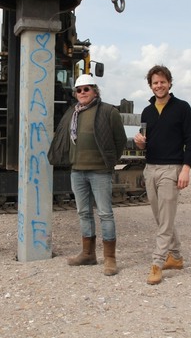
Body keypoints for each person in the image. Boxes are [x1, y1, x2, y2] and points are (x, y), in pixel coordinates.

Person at [48, 74, 127, 276]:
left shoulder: (108, 112)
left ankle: (110, 258)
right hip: (77, 171)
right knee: (83, 213)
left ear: (95, 91)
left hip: (100, 171)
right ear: (75, 94)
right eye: (79, 90)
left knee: (105, 214)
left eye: (86, 89)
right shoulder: (72, 113)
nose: (82, 93)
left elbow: (120, 141)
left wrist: (109, 161)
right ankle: (88, 254)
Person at [133, 65, 191, 285]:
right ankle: (176, 257)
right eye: (155, 83)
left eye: (162, 82)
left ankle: (157, 263)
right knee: (162, 218)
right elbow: (144, 142)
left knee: (165, 219)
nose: (159, 86)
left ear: (169, 83)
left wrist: (186, 169)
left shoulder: (182, 108)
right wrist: (139, 142)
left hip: (172, 169)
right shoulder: (147, 112)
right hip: (150, 168)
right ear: (150, 86)